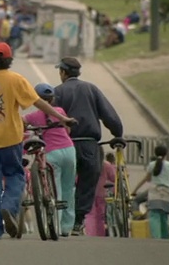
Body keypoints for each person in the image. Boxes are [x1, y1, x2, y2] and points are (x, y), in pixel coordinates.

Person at [0, 42, 76, 239]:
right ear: (9, 60)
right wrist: (61, 118)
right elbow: (37, 101)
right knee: (15, 175)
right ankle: (8, 206)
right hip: (10, 138)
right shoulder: (15, 79)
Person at [52, 57, 123, 236]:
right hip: (90, 144)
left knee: (64, 181)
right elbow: (109, 115)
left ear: (63, 72)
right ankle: (78, 221)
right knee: (87, 182)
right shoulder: (91, 89)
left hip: (66, 143)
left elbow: (50, 118)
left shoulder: (58, 92)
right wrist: (117, 133)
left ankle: (62, 217)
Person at [22, 83, 77, 237]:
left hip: (52, 153)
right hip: (69, 150)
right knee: (69, 189)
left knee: (55, 190)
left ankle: (57, 226)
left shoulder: (32, 116)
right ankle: (67, 227)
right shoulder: (59, 111)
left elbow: (22, 123)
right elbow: (68, 129)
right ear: (52, 98)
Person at [131, 145, 169, 239]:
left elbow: (146, 179)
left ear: (155, 153)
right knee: (164, 216)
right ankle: (166, 237)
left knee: (154, 215)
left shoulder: (152, 165)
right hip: (166, 193)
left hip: (154, 192)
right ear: (166, 154)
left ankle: (156, 237)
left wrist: (134, 190)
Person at [84, 147, 115, 237]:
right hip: (102, 193)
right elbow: (114, 177)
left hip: (90, 191)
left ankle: (91, 233)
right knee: (100, 216)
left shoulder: (89, 163)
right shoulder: (106, 165)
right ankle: (100, 234)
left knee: (90, 214)